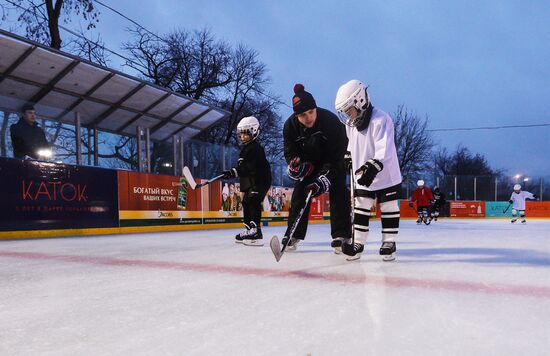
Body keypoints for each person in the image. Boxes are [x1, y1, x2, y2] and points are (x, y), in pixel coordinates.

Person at [335, 80, 402, 261]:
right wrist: (348, 155)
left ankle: (389, 242)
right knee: (360, 207)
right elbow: (351, 143)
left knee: (388, 207)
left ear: (360, 101)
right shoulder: (350, 124)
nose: (347, 114)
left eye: (349, 109)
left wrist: (374, 164)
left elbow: (384, 147)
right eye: (344, 111)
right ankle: (358, 243)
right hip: (362, 175)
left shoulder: (381, 119)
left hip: (386, 174)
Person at [282, 84, 351, 252]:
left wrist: (326, 176)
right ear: (296, 115)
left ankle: (341, 234)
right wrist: (295, 164)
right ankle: (293, 233)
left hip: (334, 161)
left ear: (315, 108)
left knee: (339, 190)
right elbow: (290, 152)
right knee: (300, 191)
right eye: (303, 115)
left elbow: (339, 155)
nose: (308, 117)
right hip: (311, 164)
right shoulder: (290, 126)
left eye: (311, 112)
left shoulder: (331, 122)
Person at [222, 116, 272, 246]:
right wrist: (232, 172)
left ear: (254, 131)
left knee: (253, 201)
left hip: (260, 180)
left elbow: (250, 166)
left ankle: (256, 233)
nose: (243, 137)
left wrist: (235, 171)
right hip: (250, 181)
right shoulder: (246, 149)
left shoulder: (256, 148)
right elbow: (243, 167)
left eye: (246, 134)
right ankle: (249, 230)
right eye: (241, 134)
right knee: (246, 202)